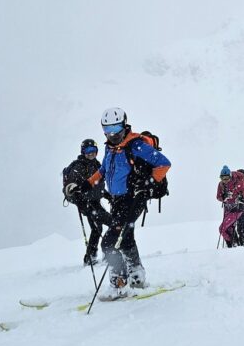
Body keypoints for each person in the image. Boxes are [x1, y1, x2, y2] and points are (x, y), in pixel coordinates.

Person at [69, 107, 171, 295]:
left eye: (116, 127)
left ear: (124, 124)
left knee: (109, 243)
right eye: (107, 129)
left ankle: (119, 281)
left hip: (133, 199)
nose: (112, 133)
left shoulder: (136, 145)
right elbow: (103, 171)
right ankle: (136, 275)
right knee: (125, 238)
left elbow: (164, 164)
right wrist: (84, 186)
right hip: (117, 201)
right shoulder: (110, 148)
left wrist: (147, 183)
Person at [62, 138, 112, 266]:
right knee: (112, 222)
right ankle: (105, 254)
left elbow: (99, 185)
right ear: (83, 151)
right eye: (88, 151)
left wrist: (108, 196)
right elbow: (71, 184)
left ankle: (91, 257)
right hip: (85, 203)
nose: (91, 153)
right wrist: (74, 192)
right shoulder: (79, 166)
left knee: (97, 228)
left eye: (93, 150)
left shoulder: (97, 165)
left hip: (95, 201)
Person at [216, 166, 244, 248]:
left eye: (227, 178)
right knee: (229, 229)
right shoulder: (221, 185)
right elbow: (218, 197)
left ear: (230, 176)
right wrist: (223, 197)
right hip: (227, 209)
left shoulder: (238, 184)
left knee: (222, 229)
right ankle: (235, 246)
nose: (225, 181)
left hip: (237, 209)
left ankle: (232, 246)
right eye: (223, 178)